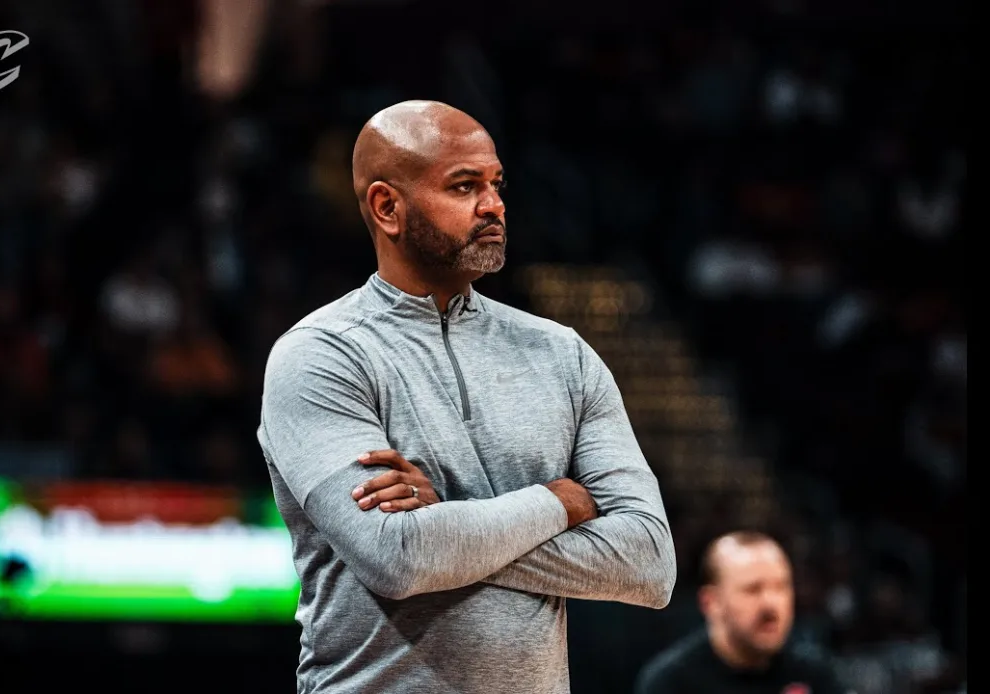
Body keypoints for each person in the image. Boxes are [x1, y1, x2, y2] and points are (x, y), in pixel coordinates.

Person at [257, 100, 677, 694]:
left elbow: (649, 565)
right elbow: (396, 559)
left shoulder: (564, 354)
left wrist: (446, 520)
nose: (494, 205)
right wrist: (559, 503)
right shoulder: (321, 355)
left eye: (496, 184)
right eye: (464, 186)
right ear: (387, 208)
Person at [635, 531, 850, 694]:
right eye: (752, 589)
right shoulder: (671, 683)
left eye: (780, 587)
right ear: (711, 602)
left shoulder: (816, 675)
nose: (770, 603)